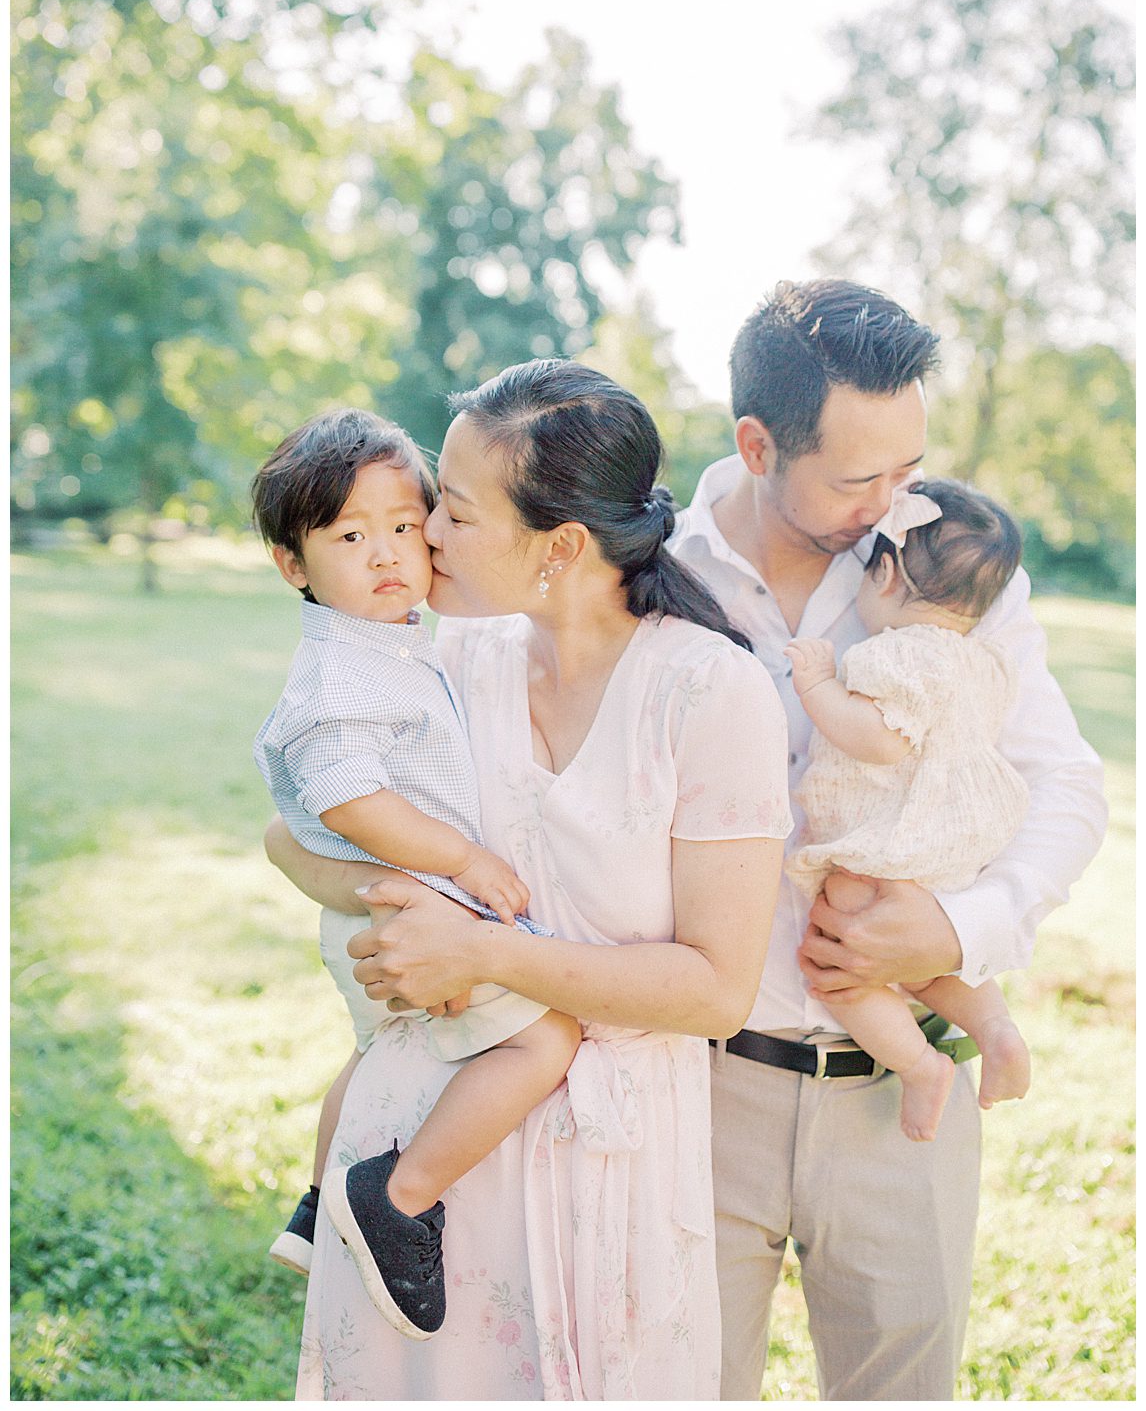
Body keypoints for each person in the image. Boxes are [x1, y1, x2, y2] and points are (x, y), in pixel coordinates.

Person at [265, 360, 794, 1399]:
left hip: (613, 1173)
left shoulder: (707, 691)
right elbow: (289, 840)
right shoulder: (449, 656)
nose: (424, 538)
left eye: (451, 512)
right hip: (416, 1161)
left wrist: (484, 949)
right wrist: (395, 907)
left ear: (560, 545)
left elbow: (717, 989)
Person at [662, 279, 1106, 1400]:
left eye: (906, 467)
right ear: (758, 442)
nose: (893, 502)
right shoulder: (657, 571)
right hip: (699, 1087)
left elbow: (1065, 787)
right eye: (858, 477)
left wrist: (951, 926)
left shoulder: (953, 568)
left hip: (900, 1099)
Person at [250, 408, 582, 1339]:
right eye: (351, 536)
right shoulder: (341, 672)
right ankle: (398, 1199)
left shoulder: (385, 640)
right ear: (294, 563)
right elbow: (353, 800)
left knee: (369, 1057)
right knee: (543, 1035)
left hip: (383, 909)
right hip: (403, 902)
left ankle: (318, 1205)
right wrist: (462, 856)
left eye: (405, 525)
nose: (389, 553)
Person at [784, 476, 1032, 1143]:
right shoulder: (981, 660)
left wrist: (816, 683)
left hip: (888, 842)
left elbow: (878, 739)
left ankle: (921, 1066)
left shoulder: (895, 654)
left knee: (838, 963)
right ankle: (995, 1026)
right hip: (950, 846)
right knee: (924, 961)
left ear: (886, 572)